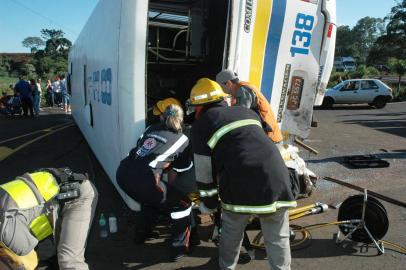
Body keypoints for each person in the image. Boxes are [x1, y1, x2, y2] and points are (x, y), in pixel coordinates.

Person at [189, 78, 296, 270]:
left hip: (241, 183)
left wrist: (210, 203)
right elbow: (262, 136)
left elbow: (204, 172)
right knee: (278, 235)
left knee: (231, 230)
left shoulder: (201, 125)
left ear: (199, 107)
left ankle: (227, 266)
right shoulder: (246, 111)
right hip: (277, 177)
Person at [116, 103, 194, 261]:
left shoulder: (150, 128)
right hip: (144, 181)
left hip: (123, 173)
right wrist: (171, 193)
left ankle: (141, 235)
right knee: (183, 204)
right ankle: (178, 249)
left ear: (162, 117)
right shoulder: (183, 139)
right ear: (181, 119)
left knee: (150, 199)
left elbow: (142, 150)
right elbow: (177, 170)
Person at [0, 168, 98, 270]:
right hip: (55, 200)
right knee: (45, 254)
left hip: (77, 198)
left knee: (68, 261)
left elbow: (30, 263)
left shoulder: (6, 229)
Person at [216, 70, 283, 143]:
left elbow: (239, 115)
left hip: (270, 137)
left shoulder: (243, 90)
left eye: (221, 87)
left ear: (228, 83)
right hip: (267, 136)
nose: (221, 90)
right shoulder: (241, 89)